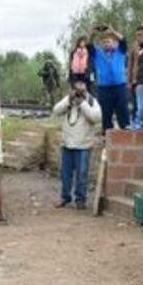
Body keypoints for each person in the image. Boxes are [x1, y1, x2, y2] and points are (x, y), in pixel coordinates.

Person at [51, 81, 102, 210]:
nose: (79, 93)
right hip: (67, 143)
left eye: (82, 91)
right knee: (65, 174)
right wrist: (69, 100)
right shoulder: (69, 100)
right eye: (77, 90)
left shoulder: (91, 101)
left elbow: (96, 118)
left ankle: (80, 200)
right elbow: (56, 110)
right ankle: (65, 197)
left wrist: (83, 104)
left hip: (83, 145)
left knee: (82, 174)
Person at [89, 26, 129, 132]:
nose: (106, 43)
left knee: (123, 110)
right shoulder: (98, 53)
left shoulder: (120, 51)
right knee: (106, 112)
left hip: (119, 86)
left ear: (114, 42)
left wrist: (113, 31)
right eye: (104, 42)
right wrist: (93, 34)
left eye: (108, 41)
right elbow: (89, 45)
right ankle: (107, 136)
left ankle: (126, 131)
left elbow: (123, 40)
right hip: (104, 87)